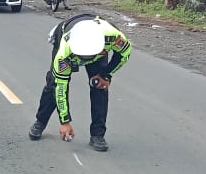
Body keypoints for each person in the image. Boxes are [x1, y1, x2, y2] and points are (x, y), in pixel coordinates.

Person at [28, 14, 132, 152]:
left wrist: (106, 75)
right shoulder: (64, 53)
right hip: (68, 44)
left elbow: (125, 53)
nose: (85, 60)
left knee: (99, 86)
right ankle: (40, 121)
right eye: (83, 56)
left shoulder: (112, 36)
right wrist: (65, 121)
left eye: (88, 56)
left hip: (98, 52)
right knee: (53, 83)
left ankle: (97, 135)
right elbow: (61, 88)